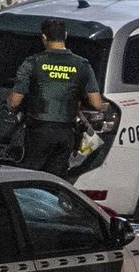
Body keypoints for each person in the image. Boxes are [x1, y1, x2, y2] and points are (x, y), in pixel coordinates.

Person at [8, 18, 105, 178]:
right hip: (66, 133)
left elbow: (14, 101)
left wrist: (13, 106)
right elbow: (96, 103)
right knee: (55, 181)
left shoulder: (32, 63)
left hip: (38, 131)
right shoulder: (82, 64)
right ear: (65, 35)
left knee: (29, 178)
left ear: (44, 37)